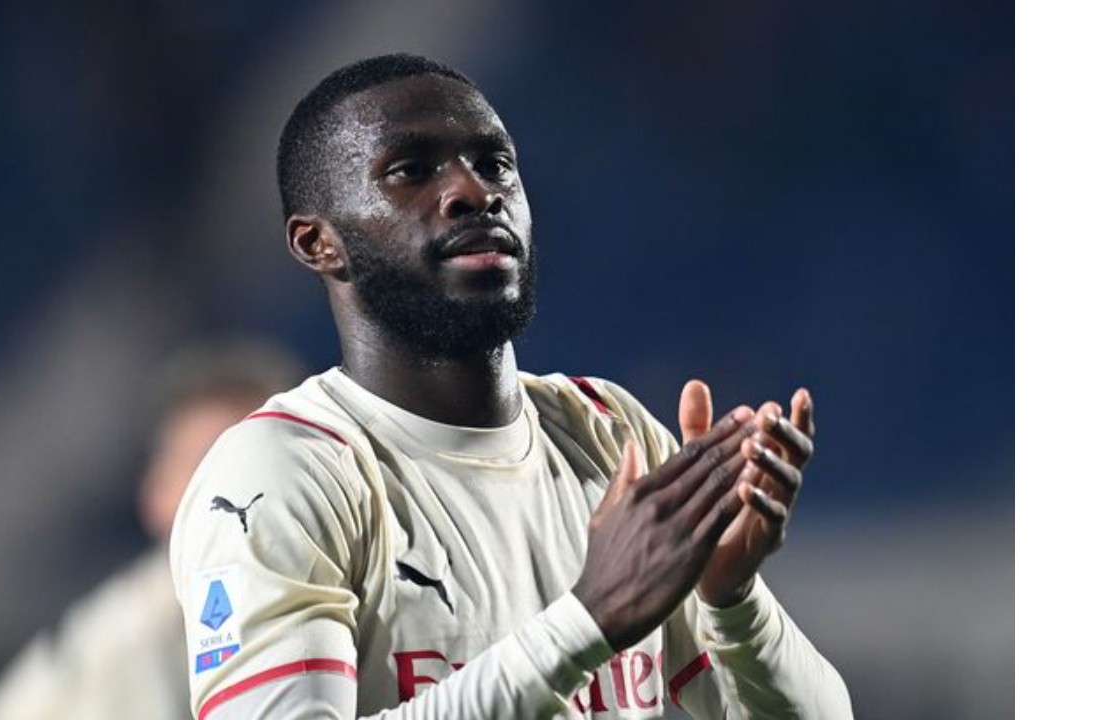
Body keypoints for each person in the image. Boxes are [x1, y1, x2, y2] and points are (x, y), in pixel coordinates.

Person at [170, 54, 853, 719]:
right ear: (318, 243)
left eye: (495, 164)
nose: (474, 191)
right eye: (411, 170)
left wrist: (732, 599)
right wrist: (586, 621)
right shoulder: (287, 472)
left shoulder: (608, 432)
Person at [0, 340, 304, 720]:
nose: (236, 485)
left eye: (259, 455)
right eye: (202, 465)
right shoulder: (129, 647)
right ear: (156, 497)